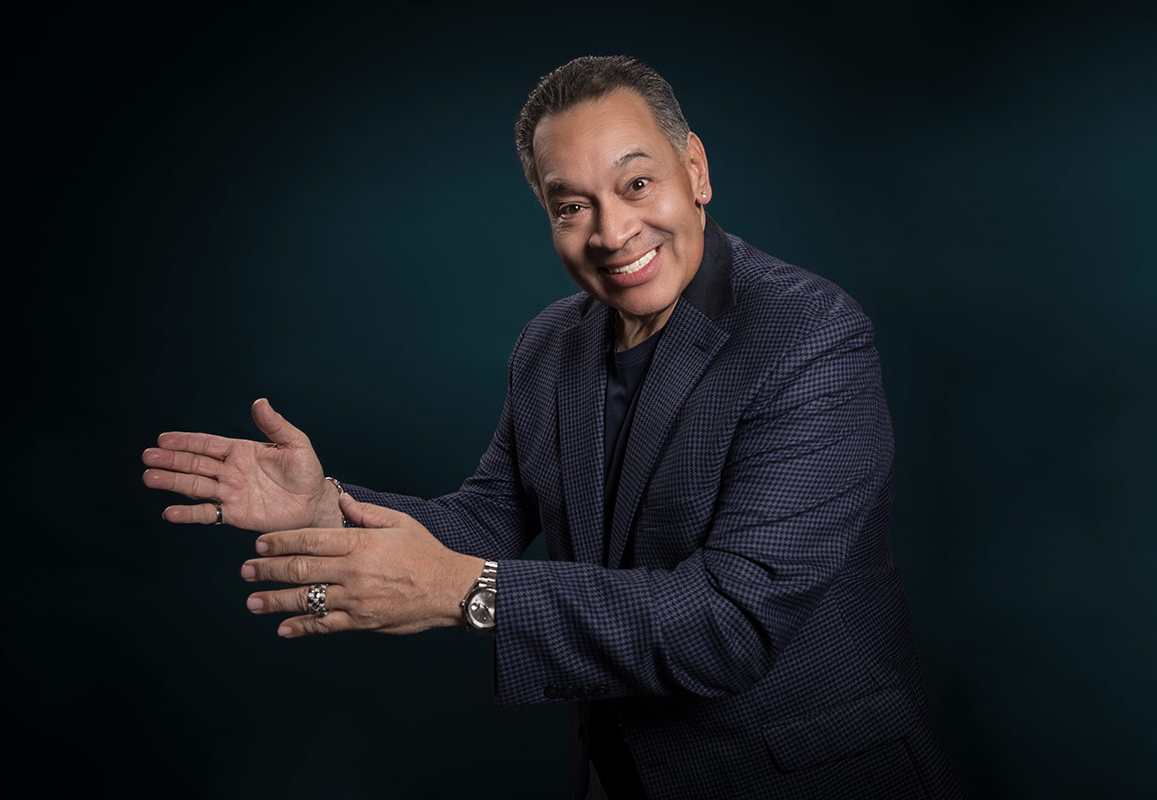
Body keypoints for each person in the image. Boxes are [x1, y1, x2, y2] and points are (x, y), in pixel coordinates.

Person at [142, 56, 964, 799]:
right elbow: (486, 519)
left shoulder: (809, 335)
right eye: (572, 206)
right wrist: (326, 508)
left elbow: (732, 624)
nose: (611, 233)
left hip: (805, 775)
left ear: (695, 170)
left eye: (636, 185)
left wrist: (469, 593)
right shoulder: (550, 344)